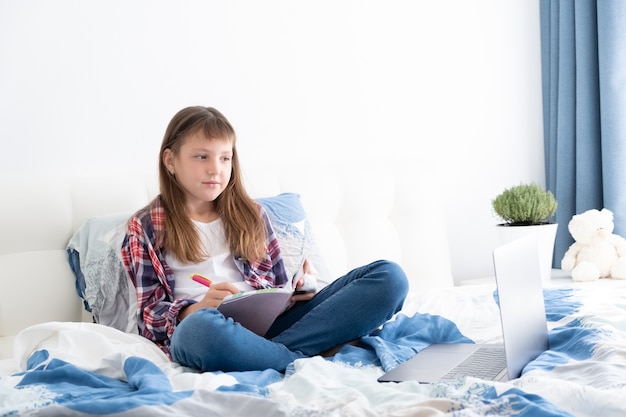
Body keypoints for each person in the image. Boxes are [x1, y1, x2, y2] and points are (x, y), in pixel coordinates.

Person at [121, 106, 409, 372]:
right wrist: (197, 308)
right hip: (207, 330)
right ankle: (301, 358)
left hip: (273, 328)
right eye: (201, 157)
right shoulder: (145, 226)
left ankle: (276, 354)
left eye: (225, 158)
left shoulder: (253, 214)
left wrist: (297, 291)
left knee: (389, 277)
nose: (215, 169)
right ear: (170, 160)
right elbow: (150, 318)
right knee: (199, 330)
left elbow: (276, 289)